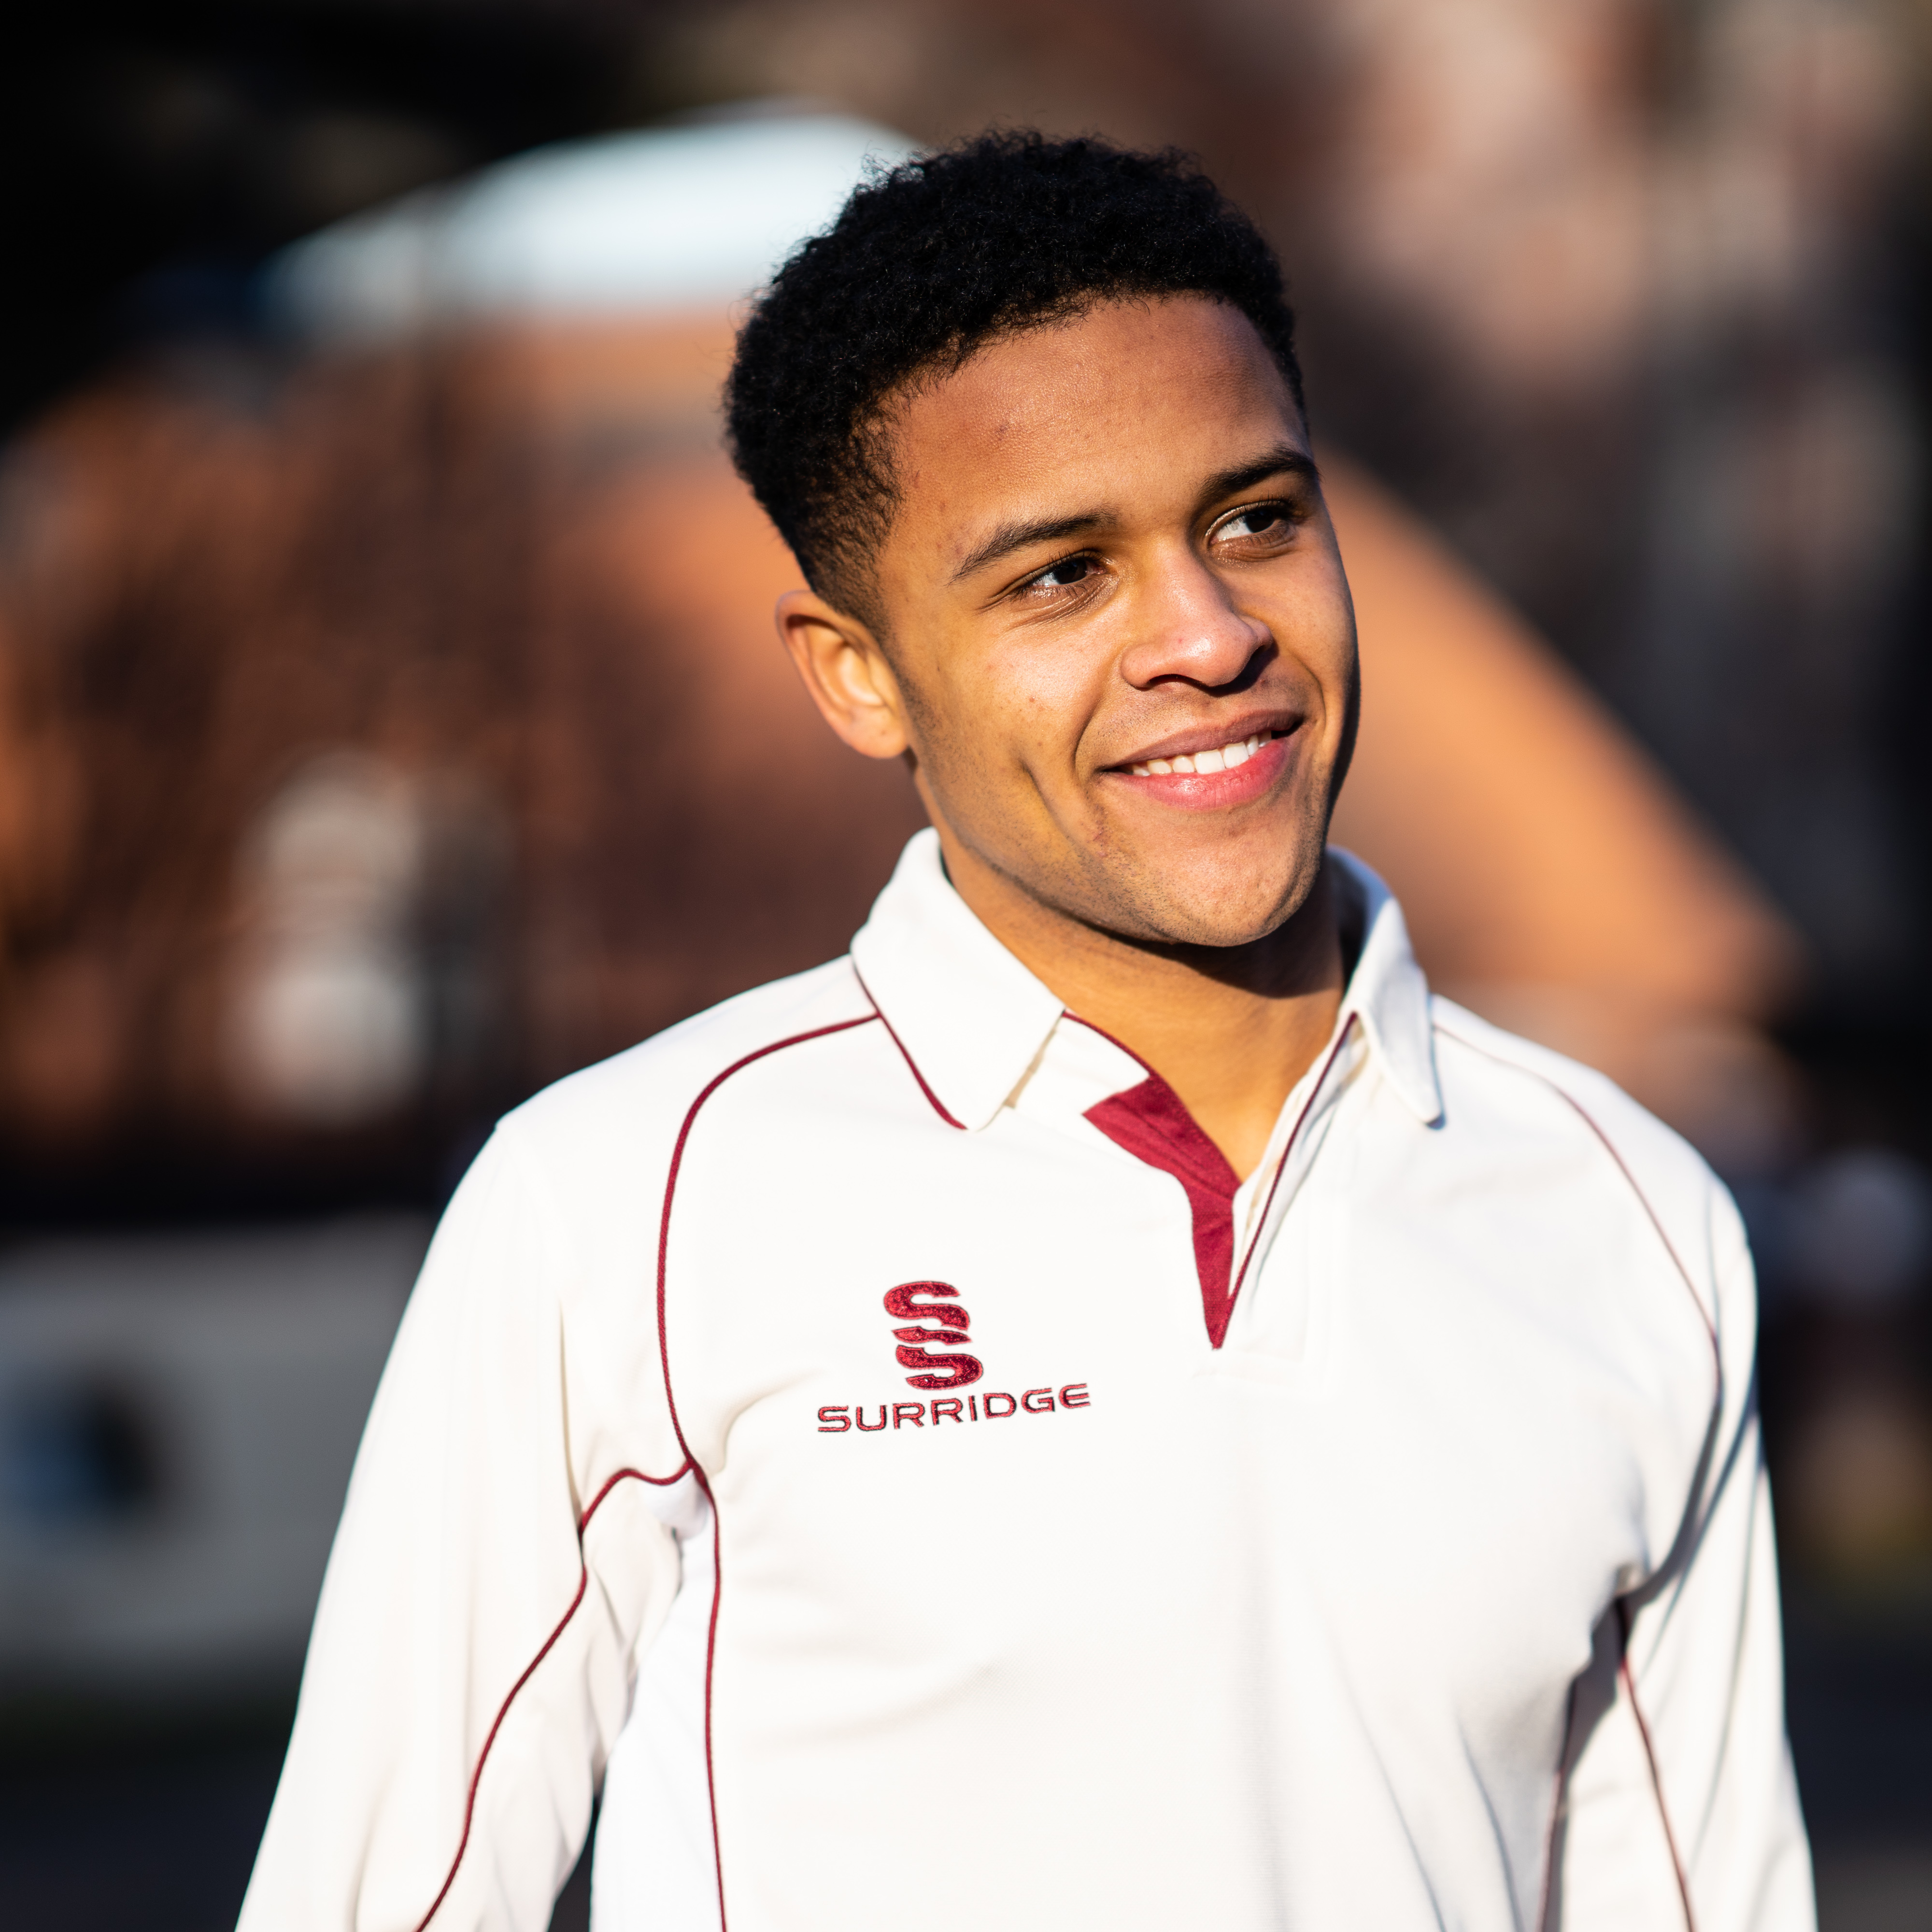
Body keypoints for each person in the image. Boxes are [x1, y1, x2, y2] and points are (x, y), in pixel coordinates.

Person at [239, 133, 1813, 1932]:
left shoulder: (1628, 1215)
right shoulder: (627, 1208)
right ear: (858, 675)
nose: (1208, 636)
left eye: (1256, 519)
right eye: (1061, 576)